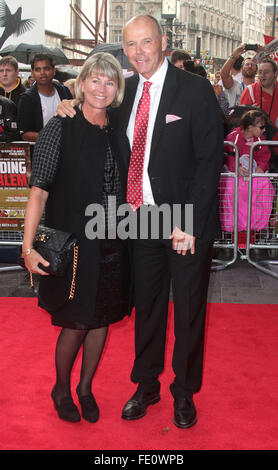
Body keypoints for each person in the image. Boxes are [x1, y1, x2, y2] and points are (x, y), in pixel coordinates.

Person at [56, 14, 223, 429]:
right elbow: (96, 114)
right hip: (140, 220)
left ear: (162, 41)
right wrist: (70, 103)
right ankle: (146, 385)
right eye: (130, 45)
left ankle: (183, 392)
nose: (138, 52)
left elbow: (208, 163)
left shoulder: (195, 90)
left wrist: (191, 224)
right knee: (147, 308)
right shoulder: (125, 93)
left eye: (145, 42)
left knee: (186, 312)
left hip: (183, 220)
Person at [21, 52, 131, 423]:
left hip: (114, 238)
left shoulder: (118, 124)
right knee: (76, 321)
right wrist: (27, 246)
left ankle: (85, 387)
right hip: (74, 242)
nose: (102, 87)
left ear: (117, 89)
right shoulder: (60, 124)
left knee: (102, 318)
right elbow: (39, 190)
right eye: (95, 80)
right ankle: (62, 387)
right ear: (81, 83)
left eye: (110, 81)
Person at [220, 109, 275, 232]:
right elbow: (228, 156)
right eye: (262, 127)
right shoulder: (233, 137)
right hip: (234, 174)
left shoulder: (260, 140)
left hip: (253, 173)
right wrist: (237, 167)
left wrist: (261, 166)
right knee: (230, 187)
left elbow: (264, 156)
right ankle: (232, 224)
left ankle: (257, 224)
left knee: (265, 185)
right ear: (250, 127)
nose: (264, 130)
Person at [17, 54, 72, 142]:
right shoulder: (27, 99)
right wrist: (51, 137)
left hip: (66, 150)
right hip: (40, 151)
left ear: (54, 70)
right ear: (32, 73)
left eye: (46, 68)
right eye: (38, 69)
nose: (42, 73)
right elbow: (24, 134)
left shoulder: (64, 92)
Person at [240, 58, 278, 141]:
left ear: (275, 73)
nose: (262, 75)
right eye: (260, 72)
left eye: (266, 72)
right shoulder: (250, 91)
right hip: (258, 148)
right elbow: (241, 123)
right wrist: (249, 114)